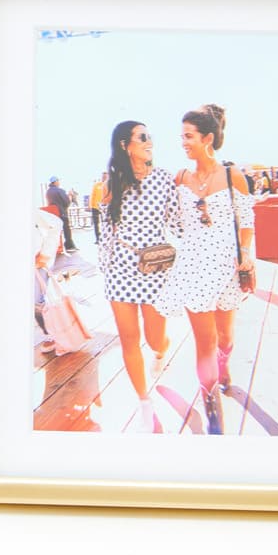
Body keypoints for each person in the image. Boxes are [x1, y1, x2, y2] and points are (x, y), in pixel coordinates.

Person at [163, 103, 256, 436]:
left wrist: (245, 253)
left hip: (226, 267)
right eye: (182, 136)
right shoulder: (180, 179)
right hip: (192, 267)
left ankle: (223, 364)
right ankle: (211, 405)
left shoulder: (233, 177)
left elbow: (246, 222)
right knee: (205, 341)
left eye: (188, 136)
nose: (183, 142)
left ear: (207, 139)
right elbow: (171, 222)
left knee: (225, 337)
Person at [96, 120, 176, 433]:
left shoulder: (164, 179)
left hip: (154, 266)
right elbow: (107, 233)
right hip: (121, 269)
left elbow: (177, 223)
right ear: (124, 145)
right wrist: (106, 269)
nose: (149, 141)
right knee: (129, 338)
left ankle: (162, 351)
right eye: (142, 137)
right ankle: (144, 400)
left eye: (149, 136)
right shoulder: (111, 184)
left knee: (155, 338)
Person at [45, 177, 76, 252]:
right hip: (62, 213)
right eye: (58, 181)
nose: (59, 182)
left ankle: (56, 247)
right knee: (66, 229)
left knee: (56, 231)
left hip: (53, 214)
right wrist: (70, 196)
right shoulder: (60, 190)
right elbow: (67, 203)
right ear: (55, 182)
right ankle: (69, 246)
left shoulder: (48, 192)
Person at [88, 172, 109, 245]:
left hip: (105, 207)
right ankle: (97, 238)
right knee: (96, 224)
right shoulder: (96, 185)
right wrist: (90, 205)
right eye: (103, 177)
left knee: (105, 223)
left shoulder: (109, 185)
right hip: (95, 207)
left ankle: (105, 238)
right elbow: (92, 195)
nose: (104, 178)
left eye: (105, 177)